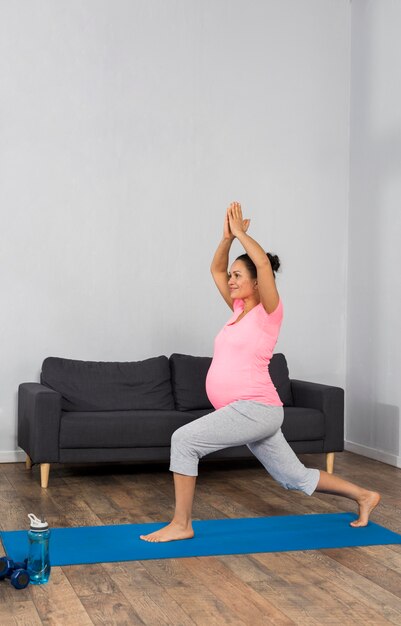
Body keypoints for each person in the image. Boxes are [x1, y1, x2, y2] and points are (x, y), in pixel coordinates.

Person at [140, 202, 380, 543]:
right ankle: (364, 495)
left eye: (239, 276)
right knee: (292, 476)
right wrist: (226, 239)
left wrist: (242, 234)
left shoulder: (269, 312)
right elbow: (215, 270)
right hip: (247, 411)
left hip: (256, 407)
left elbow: (263, 263)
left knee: (184, 440)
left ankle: (182, 524)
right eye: (233, 276)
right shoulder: (237, 310)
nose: (232, 280)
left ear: (256, 283)